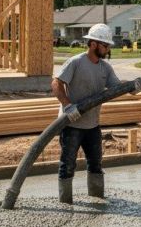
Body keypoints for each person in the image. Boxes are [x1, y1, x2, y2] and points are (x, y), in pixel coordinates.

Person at [51, 23, 120, 204]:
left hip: (92, 125)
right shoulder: (76, 62)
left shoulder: (105, 68)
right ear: (93, 44)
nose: (108, 49)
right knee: (68, 165)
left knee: (96, 164)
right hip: (71, 124)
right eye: (105, 45)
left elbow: (117, 88)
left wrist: (133, 87)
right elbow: (56, 83)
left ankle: (97, 199)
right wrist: (67, 105)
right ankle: (65, 202)